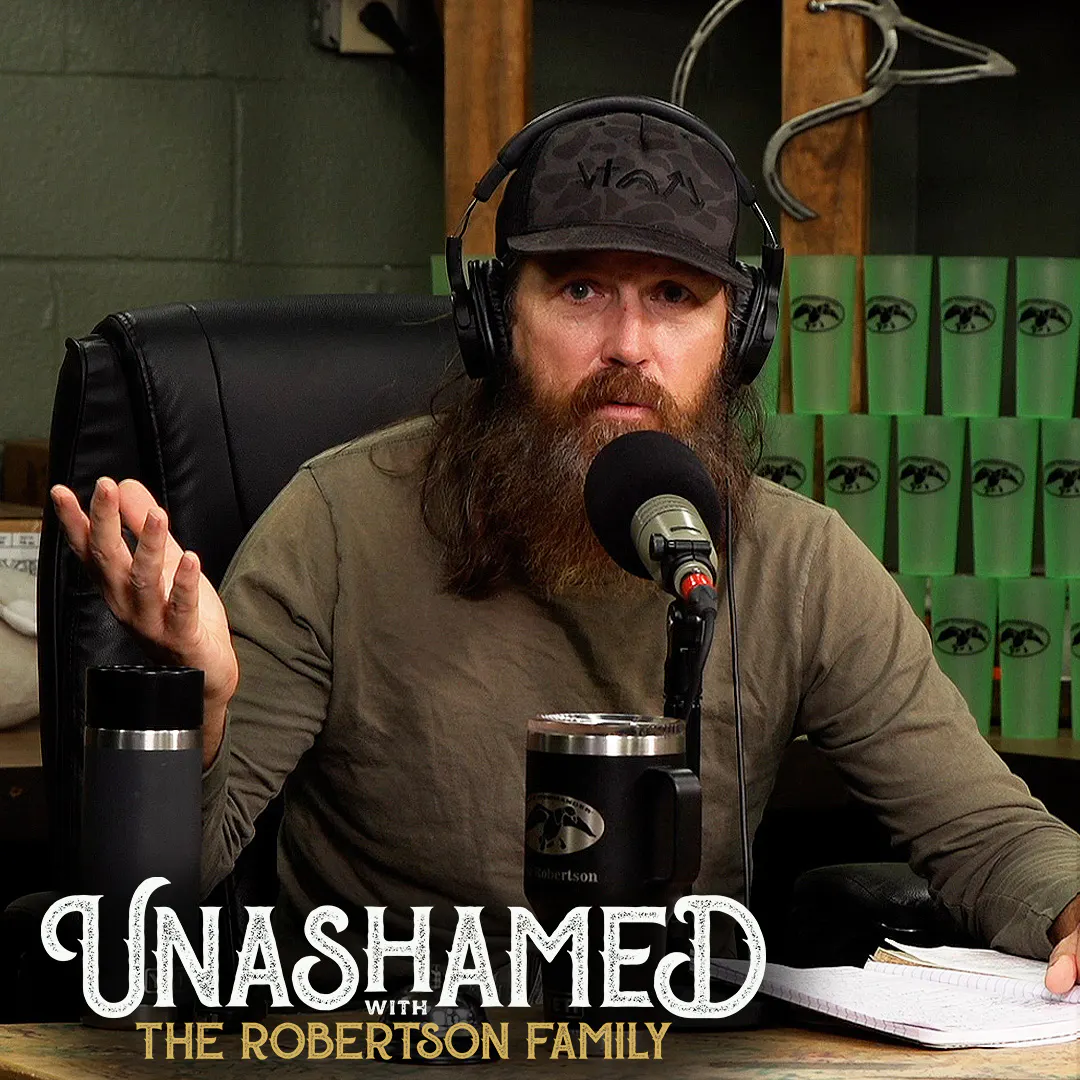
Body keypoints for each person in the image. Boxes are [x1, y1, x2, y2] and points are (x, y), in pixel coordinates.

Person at [51, 99, 1080, 995]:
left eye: (675, 297)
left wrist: (1072, 907)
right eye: (581, 290)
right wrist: (197, 707)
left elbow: (987, 833)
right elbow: (151, 909)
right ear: (498, 320)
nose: (628, 345)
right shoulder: (336, 524)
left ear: (740, 336)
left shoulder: (802, 561)